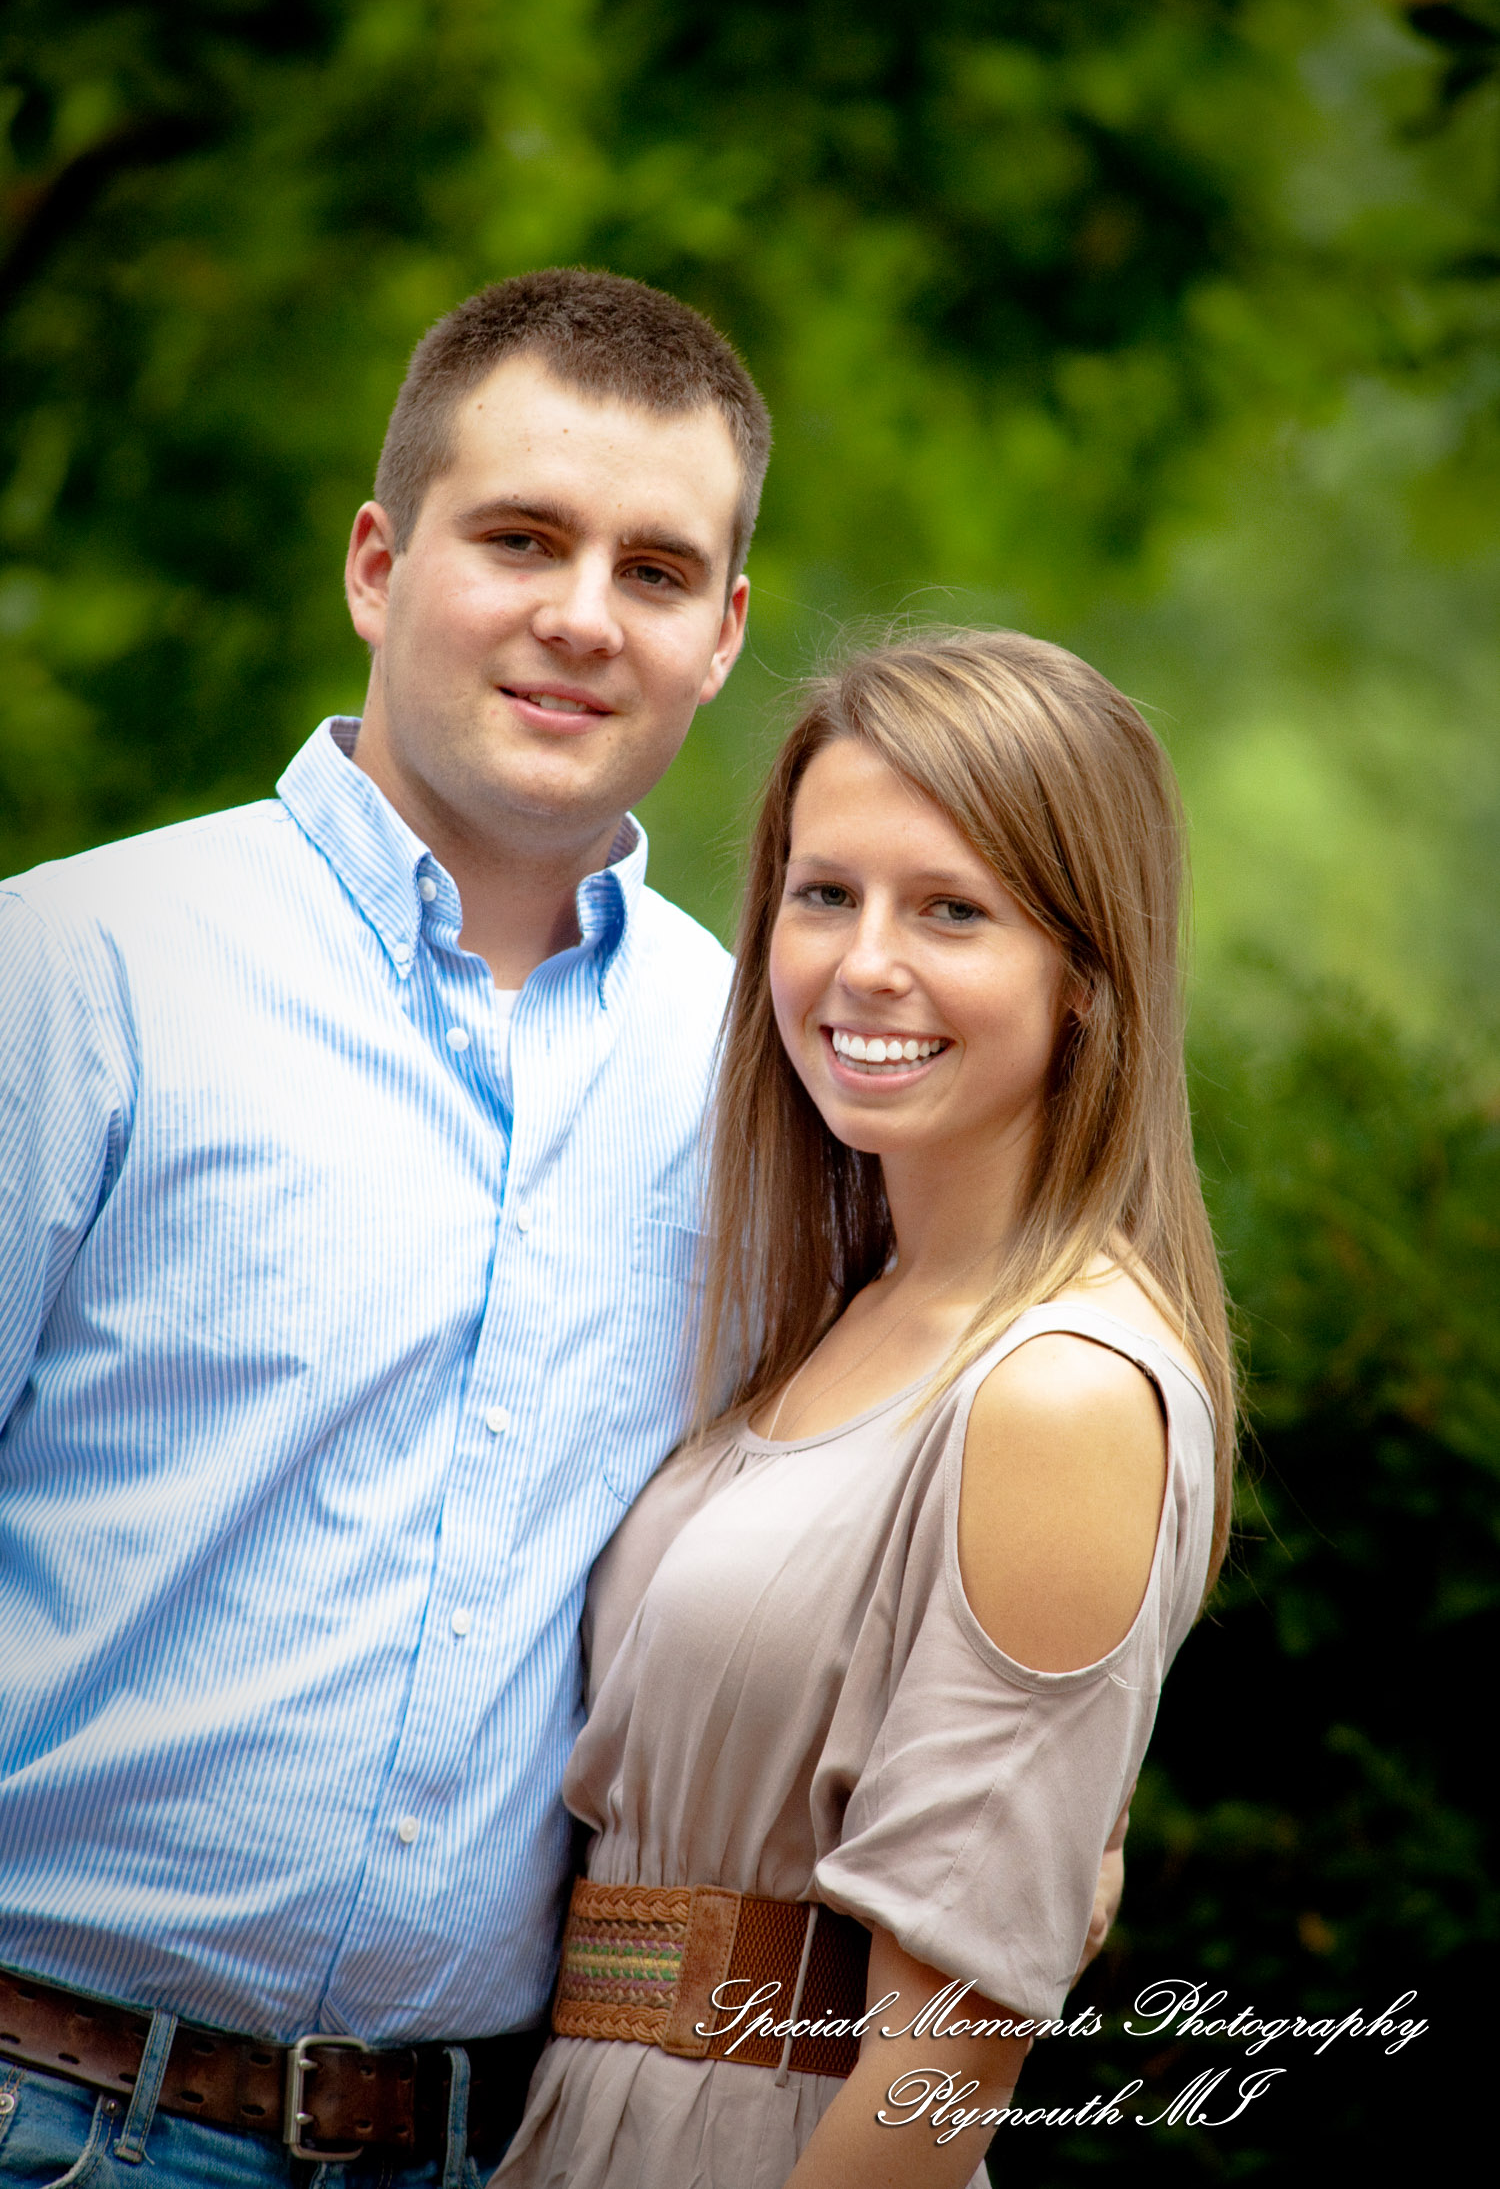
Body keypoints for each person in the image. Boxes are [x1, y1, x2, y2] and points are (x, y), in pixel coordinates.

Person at [0, 268, 770, 2186]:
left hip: (478, 2147)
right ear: (376, 562)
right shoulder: (78, 974)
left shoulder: (756, 1075)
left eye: (656, 570)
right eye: (520, 536)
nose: (582, 616)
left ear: (725, 634)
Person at [493, 628, 1237, 2189]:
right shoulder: (837, 1311)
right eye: (826, 893)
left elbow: (940, 2068)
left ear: (1086, 974)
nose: (864, 962)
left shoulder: (1059, 1389)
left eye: (952, 910)